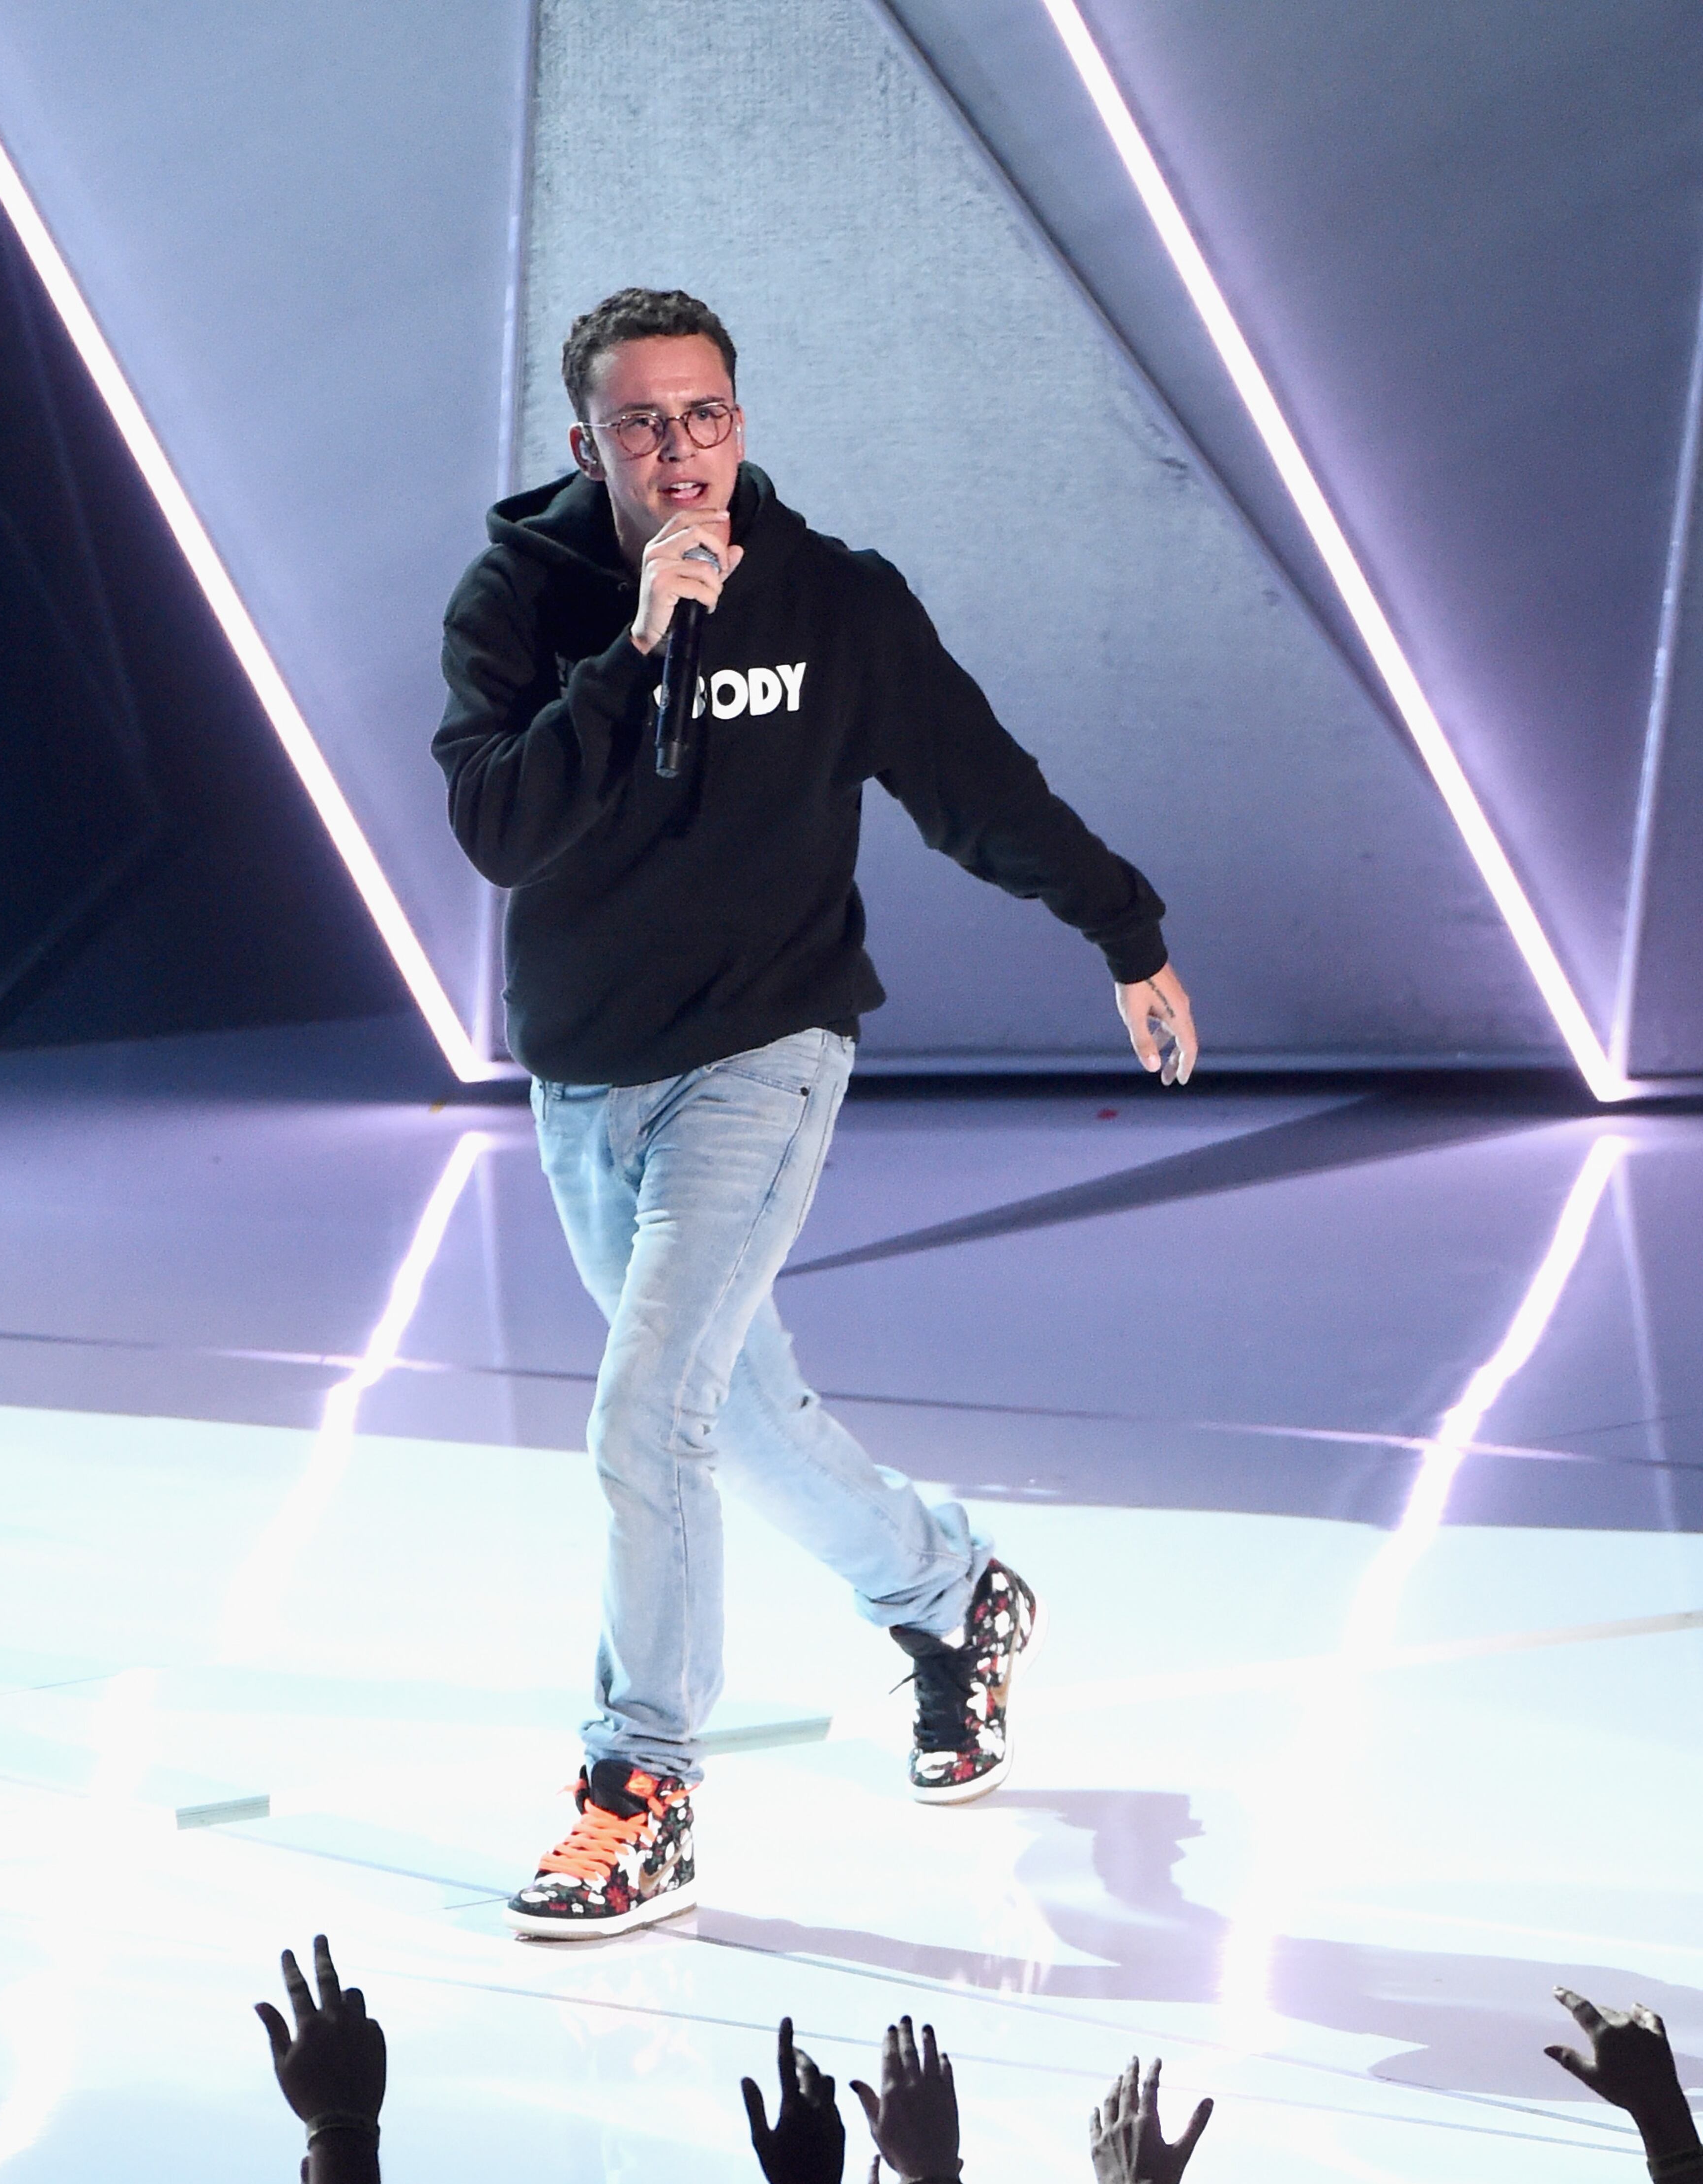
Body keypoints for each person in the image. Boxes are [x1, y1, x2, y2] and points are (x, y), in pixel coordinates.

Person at [436, 284, 1197, 1936]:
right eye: (644, 424)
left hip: (767, 1053)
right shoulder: (525, 599)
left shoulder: (835, 603)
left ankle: (641, 1791)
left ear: (741, 421)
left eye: (705, 415)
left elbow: (976, 788)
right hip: (586, 1074)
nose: (681, 451)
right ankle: (952, 1592)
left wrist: (1125, 929)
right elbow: (497, 824)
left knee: (647, 1412)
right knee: (743, 1414)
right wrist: (634, 649)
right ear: (591, 446)